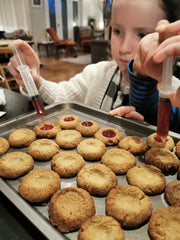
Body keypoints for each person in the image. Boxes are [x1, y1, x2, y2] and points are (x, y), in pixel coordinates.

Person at [8, 0, 180, 132]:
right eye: (117, 31)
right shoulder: (96, 73)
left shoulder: (174, 93)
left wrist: (139, 131)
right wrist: (36, 81)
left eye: (142, 34)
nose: (124, 48)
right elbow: (62, 97)